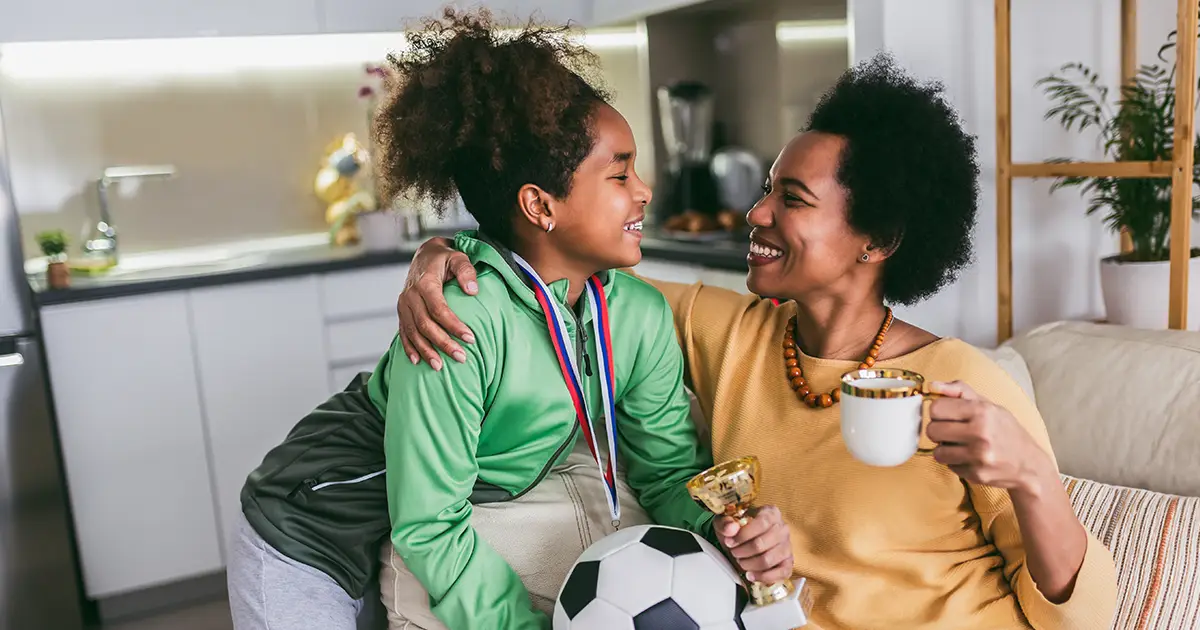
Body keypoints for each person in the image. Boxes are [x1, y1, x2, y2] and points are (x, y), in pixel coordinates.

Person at [394, 53, 1119, 629]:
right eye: (767, 187)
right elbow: (552, 271)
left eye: (791, 200)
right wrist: (448, 253)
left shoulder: (959, 377)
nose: (756, 211)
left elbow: (1081, 616)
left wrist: (1030, 476)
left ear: (879, 240)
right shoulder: (727, 330)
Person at [227, 8, 793, 630]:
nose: (644, 191)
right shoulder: (459, 320)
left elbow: (664, 475)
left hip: (406, 529)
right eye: (620, 172)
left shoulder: (636, 316)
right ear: (539, 205)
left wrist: (719, 528)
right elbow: (430, 523)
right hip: (312, 530)